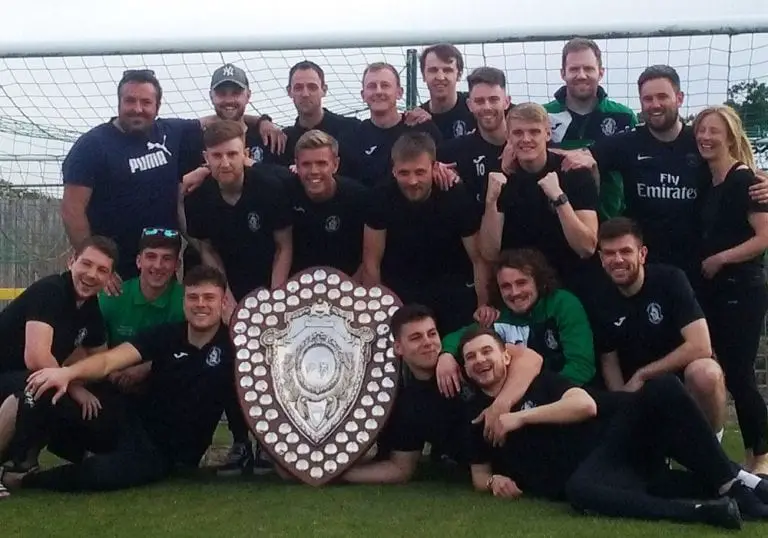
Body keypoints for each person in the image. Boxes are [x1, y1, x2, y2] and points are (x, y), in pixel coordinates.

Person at [458, 326, 768, 529]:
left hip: (616, 449)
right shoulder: (476, 418)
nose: (480, 360)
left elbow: (584, 404)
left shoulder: (538, 382)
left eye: (487, 351)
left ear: (506, 355)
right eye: (470, 357)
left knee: (663, 387)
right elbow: (479, 474)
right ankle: (712, 508)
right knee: (581, 491)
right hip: (602, 480)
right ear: (466, 369)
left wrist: (521, 417)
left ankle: (735, 484)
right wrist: (492, 482)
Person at [3, 266, 236, 495]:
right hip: (133, 421)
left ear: (223, 302)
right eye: (193, 297)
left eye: (209, 298)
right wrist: (67, 374)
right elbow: (108, 361)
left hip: (165, 452)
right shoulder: (167, 334)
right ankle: (20, 459)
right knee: (50, 389)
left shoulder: (235, 348)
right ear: (184, 301)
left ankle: (28, 480)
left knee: (103, 474)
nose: (200, 304)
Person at [180, 120, 292, 475]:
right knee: (232, 360)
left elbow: (283, 246)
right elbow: (208, 250)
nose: (225, 162)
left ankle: (272, 443)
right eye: (217, 156)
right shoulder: (199, 199)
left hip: (272, 282)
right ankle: (241, 443)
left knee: (275, 363)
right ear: (206, 158)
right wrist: (227, 299)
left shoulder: (270, 188)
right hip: (230, 286)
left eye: (232, 154)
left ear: (245, 154)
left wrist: (274, 300)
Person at [340, 304, 542, 484]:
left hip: (539, 436)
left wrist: (501, 404)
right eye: (416, 338)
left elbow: (531, 358)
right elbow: (400, 468)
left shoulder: (470, 358)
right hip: (502, 472)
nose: (428, 342)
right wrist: (338, 474)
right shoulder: (408, 403)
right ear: (398, 348)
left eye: (432, 333)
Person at [60, 69, 203, 285]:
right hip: (115, 274)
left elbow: (217, 122)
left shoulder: (172, 131)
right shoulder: (92, 146)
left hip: (160, 269)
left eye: (146, 102)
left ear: (157, 106)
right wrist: (95, 265)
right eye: (130, 101)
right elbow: (72, 210)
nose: (137, 109)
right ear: (119, 103)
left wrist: (262, 123)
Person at [593, 217, 727, 438]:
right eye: (609, 253)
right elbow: (609, 360)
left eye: (625, 251)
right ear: (601, 258)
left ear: (642, 254)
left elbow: (701, 346)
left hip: (677, 376)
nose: (617, 259)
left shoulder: (670, 280)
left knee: (706, 373)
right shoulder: (600, 298)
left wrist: (644, 374)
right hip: (639, 387)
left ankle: (712, 443)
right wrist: (622, 403)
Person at [0, 236, 119, 480]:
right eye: (86, 264)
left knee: (96, 396)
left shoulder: (91, 310)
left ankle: (26, 462)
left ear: (109, 278)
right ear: (71, 261)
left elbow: (101, 364)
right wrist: (74, 386)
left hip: (28, 375)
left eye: (102, 270)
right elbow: (36, 357)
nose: (92, 274)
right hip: (9, 374)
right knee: (37, 386)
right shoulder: (51, 291)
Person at [693, 105, 768, 474]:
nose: (706, 137)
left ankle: (762, 457)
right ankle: (728, 453)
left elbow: (764, 238)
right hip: (715, 293)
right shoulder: (710, 181)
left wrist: (721, 258)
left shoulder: (744, 180)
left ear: (730, 136)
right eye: (701, 131)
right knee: (720, 371)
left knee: (741, 376)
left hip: (743, 290)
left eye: (714, 131)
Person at [361, 131, 490, 334]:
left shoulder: (455, 194)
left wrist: (484, 304)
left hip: (452, 289)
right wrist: (375, 311)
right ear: (393, 170)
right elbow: (371, 262)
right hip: (401, 291)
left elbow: (478, 258)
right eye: (404, 173)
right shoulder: (380, 197)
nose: (412, 181)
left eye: (420, 172)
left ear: (435, 167)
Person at [479, 102, 600, 303]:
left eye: (534, 132)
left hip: (571, 288)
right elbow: (490, 252)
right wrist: (491, 202)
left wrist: (559, 198)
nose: (526, 139)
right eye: (518, 133)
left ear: (548, 134)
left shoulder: (573, 173)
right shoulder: (499, 179)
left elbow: (586, 248)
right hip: (519, 293)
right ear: (508, 137)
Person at [439, 248, 595, 393]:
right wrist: (446, 355)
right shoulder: (499, 314)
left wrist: (535, 396)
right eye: (506, 286)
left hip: (565, 397)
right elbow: (460, 336)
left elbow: (581, 367)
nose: (515, 292)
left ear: (539, 282)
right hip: (517, 401)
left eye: (522, 283)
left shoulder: (563, 303)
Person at [543, 38, 637, 219]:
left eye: (588, 68)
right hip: (557, 222)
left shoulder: (623, 116)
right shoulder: (544, 116)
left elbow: (633, 172)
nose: (581, 75)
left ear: (601, 72)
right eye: (574, 69)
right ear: (563, 73)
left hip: (611, 224)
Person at [98, 228, 185, 393]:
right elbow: (90, 345)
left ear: (177, 265)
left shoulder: (187, 301)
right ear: (139, 261)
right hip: (112, 383)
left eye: (167, 258)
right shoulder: (113, 296)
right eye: (151, 257)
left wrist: (147, 368)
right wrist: (111, 372)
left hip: (165, 387)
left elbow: (191, 351)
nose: (158, 266)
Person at [339, 62, 443, 187]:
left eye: (385, 85)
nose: (378, 91)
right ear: (363, 95)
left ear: (399, 92)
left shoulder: (422, 128)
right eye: (372, 86)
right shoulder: (351, 138)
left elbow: (443, 171)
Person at [287, 130, 369, 277]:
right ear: (297, 166)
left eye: (321, 163)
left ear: (335, 164)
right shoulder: (285, 194)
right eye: (306, 164)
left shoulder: (358, 197)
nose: (314, 171)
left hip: (348, 288)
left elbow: (369, 256)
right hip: (297, 290)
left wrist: (352, 288)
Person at [437, 67, 509, 209]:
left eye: (494, 99)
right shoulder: (453, 151)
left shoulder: (525, 145)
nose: (487, 107)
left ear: (506, 102)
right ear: (470, 105)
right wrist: (432, 167)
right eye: (479, 101)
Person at [282, 61, 361, 166]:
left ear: (324, 90)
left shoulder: (352, 129)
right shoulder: (283, 140)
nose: (305, 94)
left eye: (312, 87)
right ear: (289, 92)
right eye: (298, 88)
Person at [207, 63, 286, 166]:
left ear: (248, 95)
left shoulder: (268, 138)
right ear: (211, 96)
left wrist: (254, 167)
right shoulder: (198, 139)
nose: (229, 100)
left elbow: (284, 178)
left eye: (236, 93)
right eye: (222, 93)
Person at [418, 44, 476, 140]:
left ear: (459, 75)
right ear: (423, 75)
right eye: (433, 70)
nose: (440, 77)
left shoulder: (476, 106)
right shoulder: (418, 121)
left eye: (447, 70)